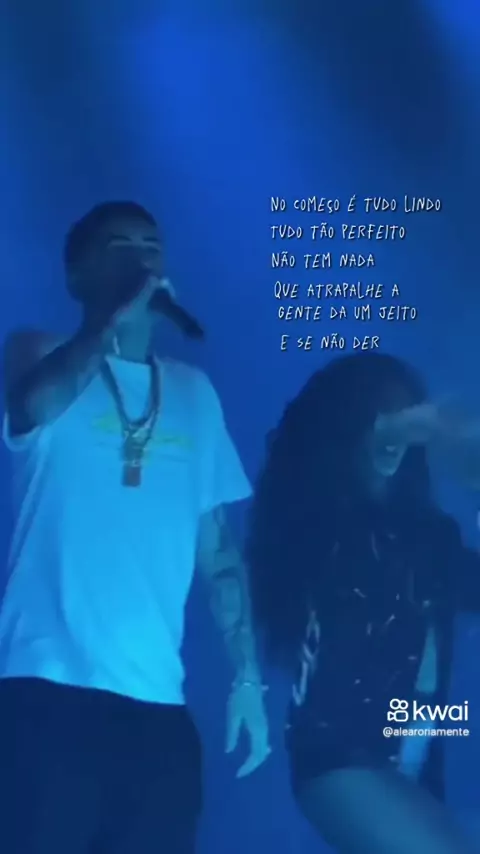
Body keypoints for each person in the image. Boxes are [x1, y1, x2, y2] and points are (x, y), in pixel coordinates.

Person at [0, 201, 270, 854]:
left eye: (151, 245)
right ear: (77, 275)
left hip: (156, 709)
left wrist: (247, 678)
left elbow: (218, 551)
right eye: (119, 246)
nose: (142, 258)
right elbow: (35, 402)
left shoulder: (194, 393)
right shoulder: (38, 352)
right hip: (46, 690)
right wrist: (110, 321)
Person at [246, 352, 480, 854]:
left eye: (402, 412)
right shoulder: (319, 522)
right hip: (342, 753)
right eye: (377, 412)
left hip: (418, 746)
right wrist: (402, 427)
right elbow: (307, 452)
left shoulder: (433, 535)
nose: (394, 429)